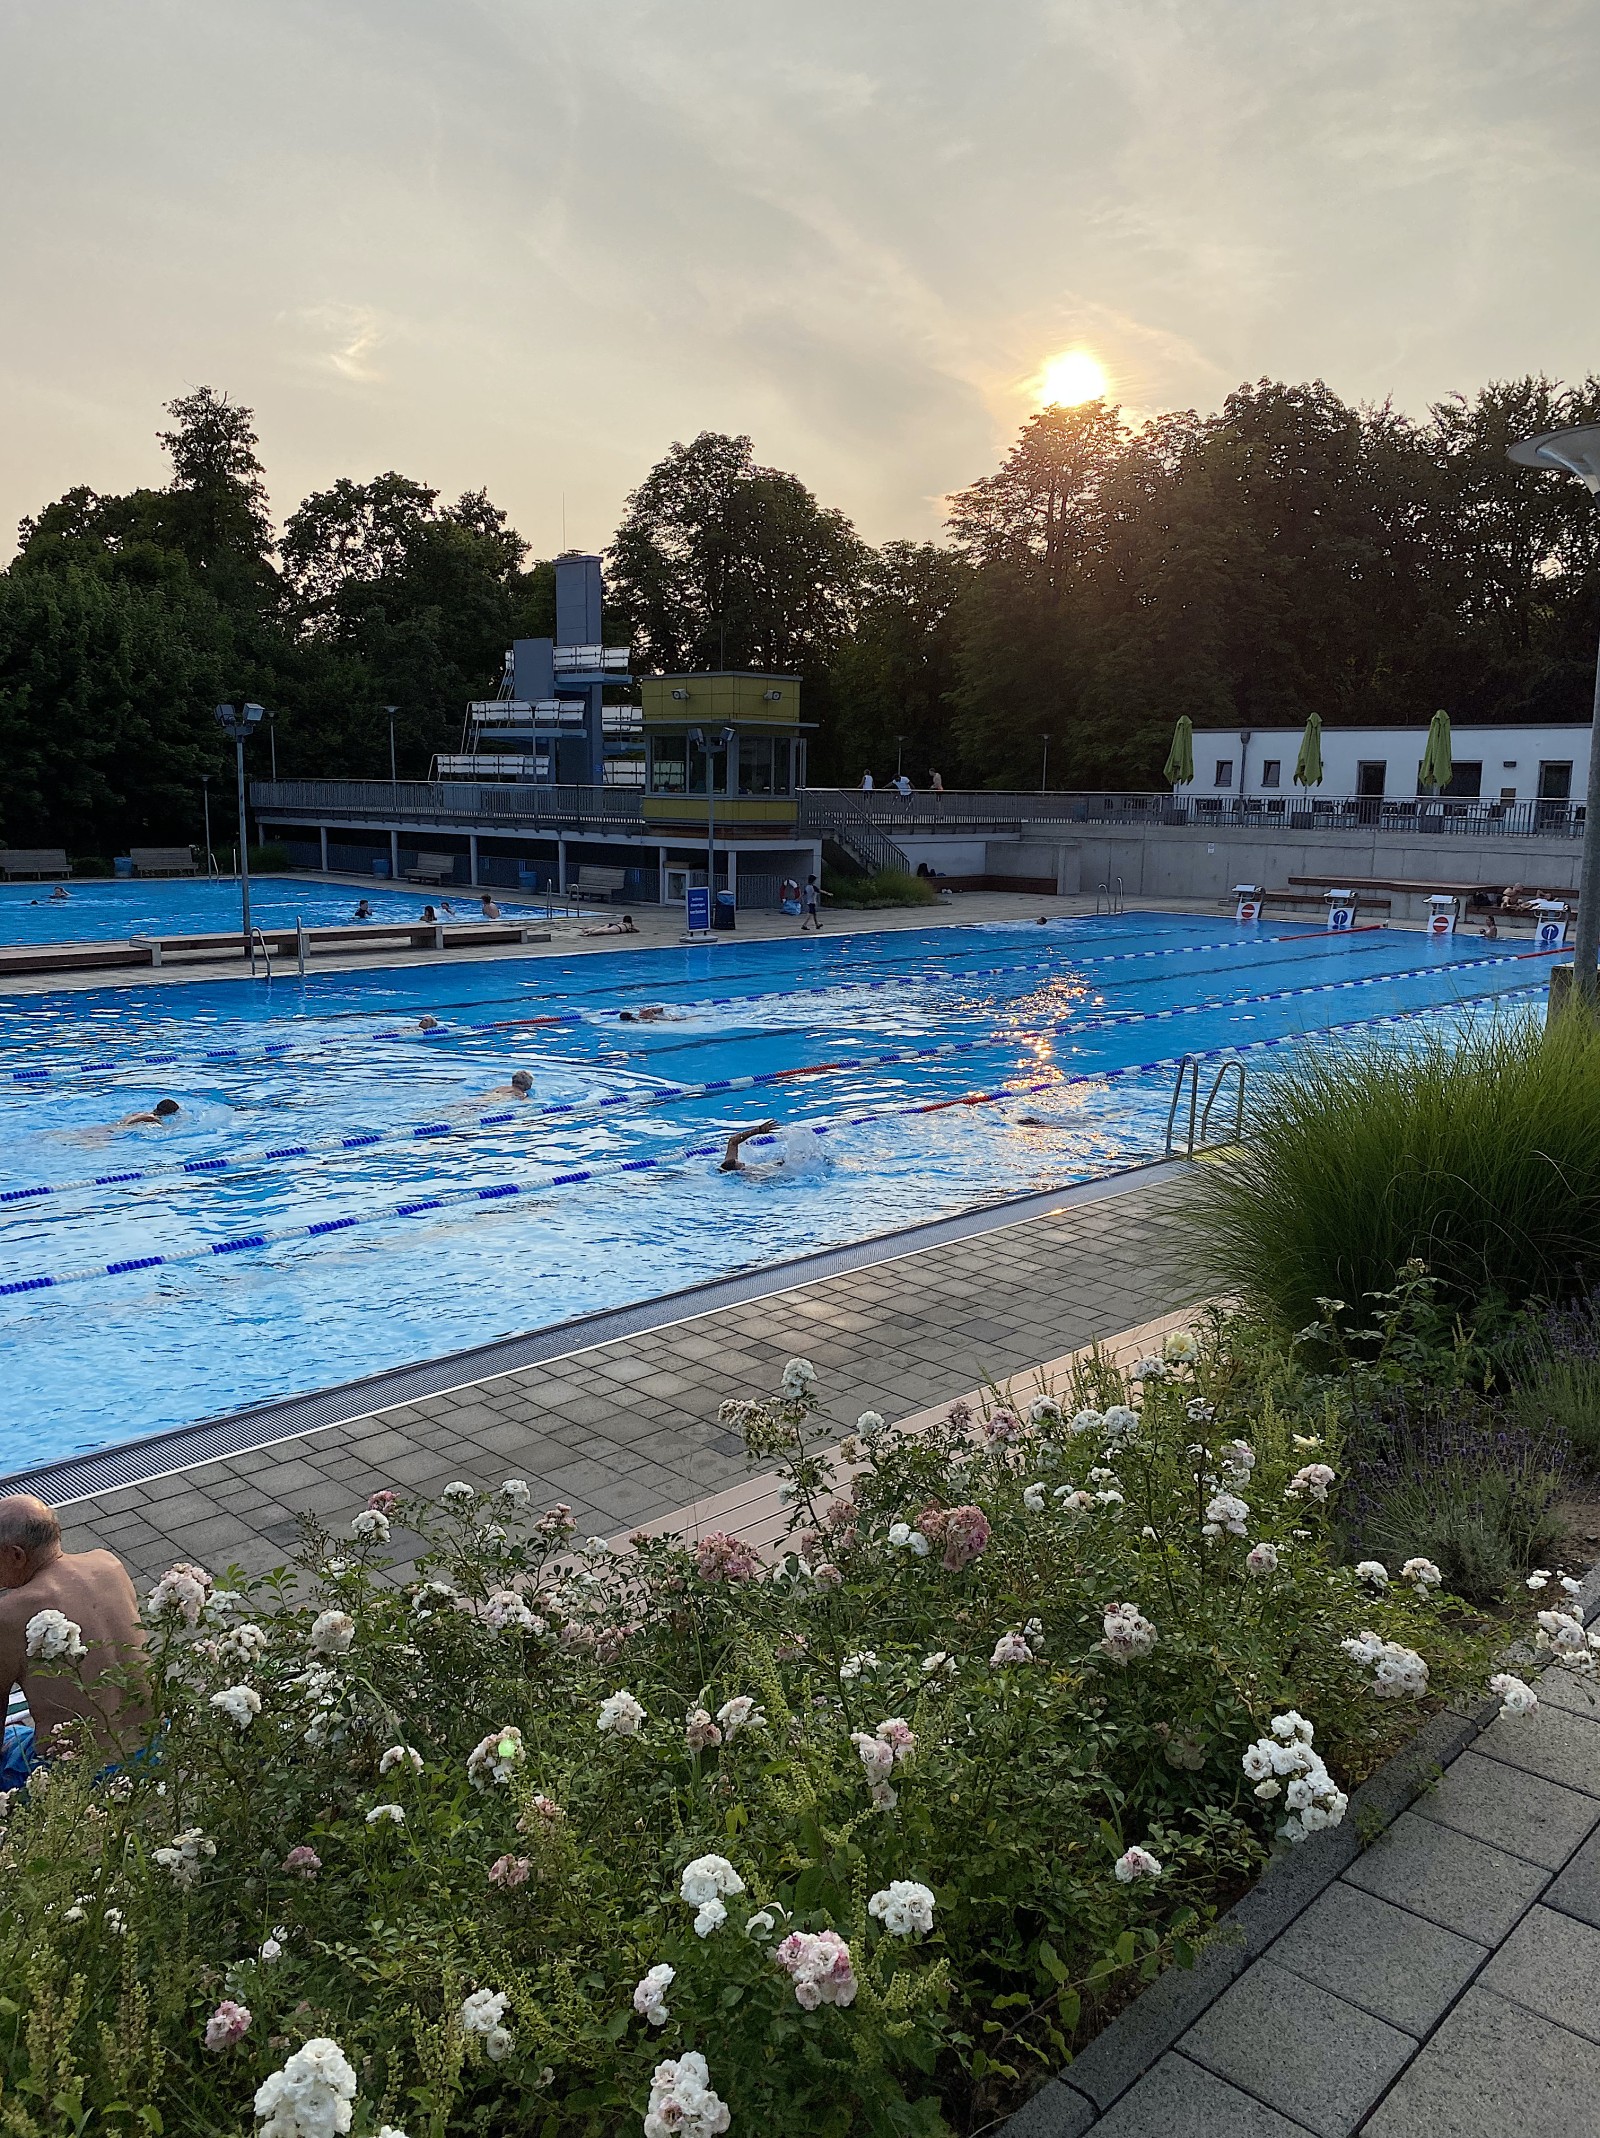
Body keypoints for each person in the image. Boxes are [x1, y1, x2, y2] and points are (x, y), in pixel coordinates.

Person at [0, 1495, 151, 1789]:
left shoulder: (11, 1614)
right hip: (154, 1749)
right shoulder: (109, 1564)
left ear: (16, 1555)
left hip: (83, 1777)